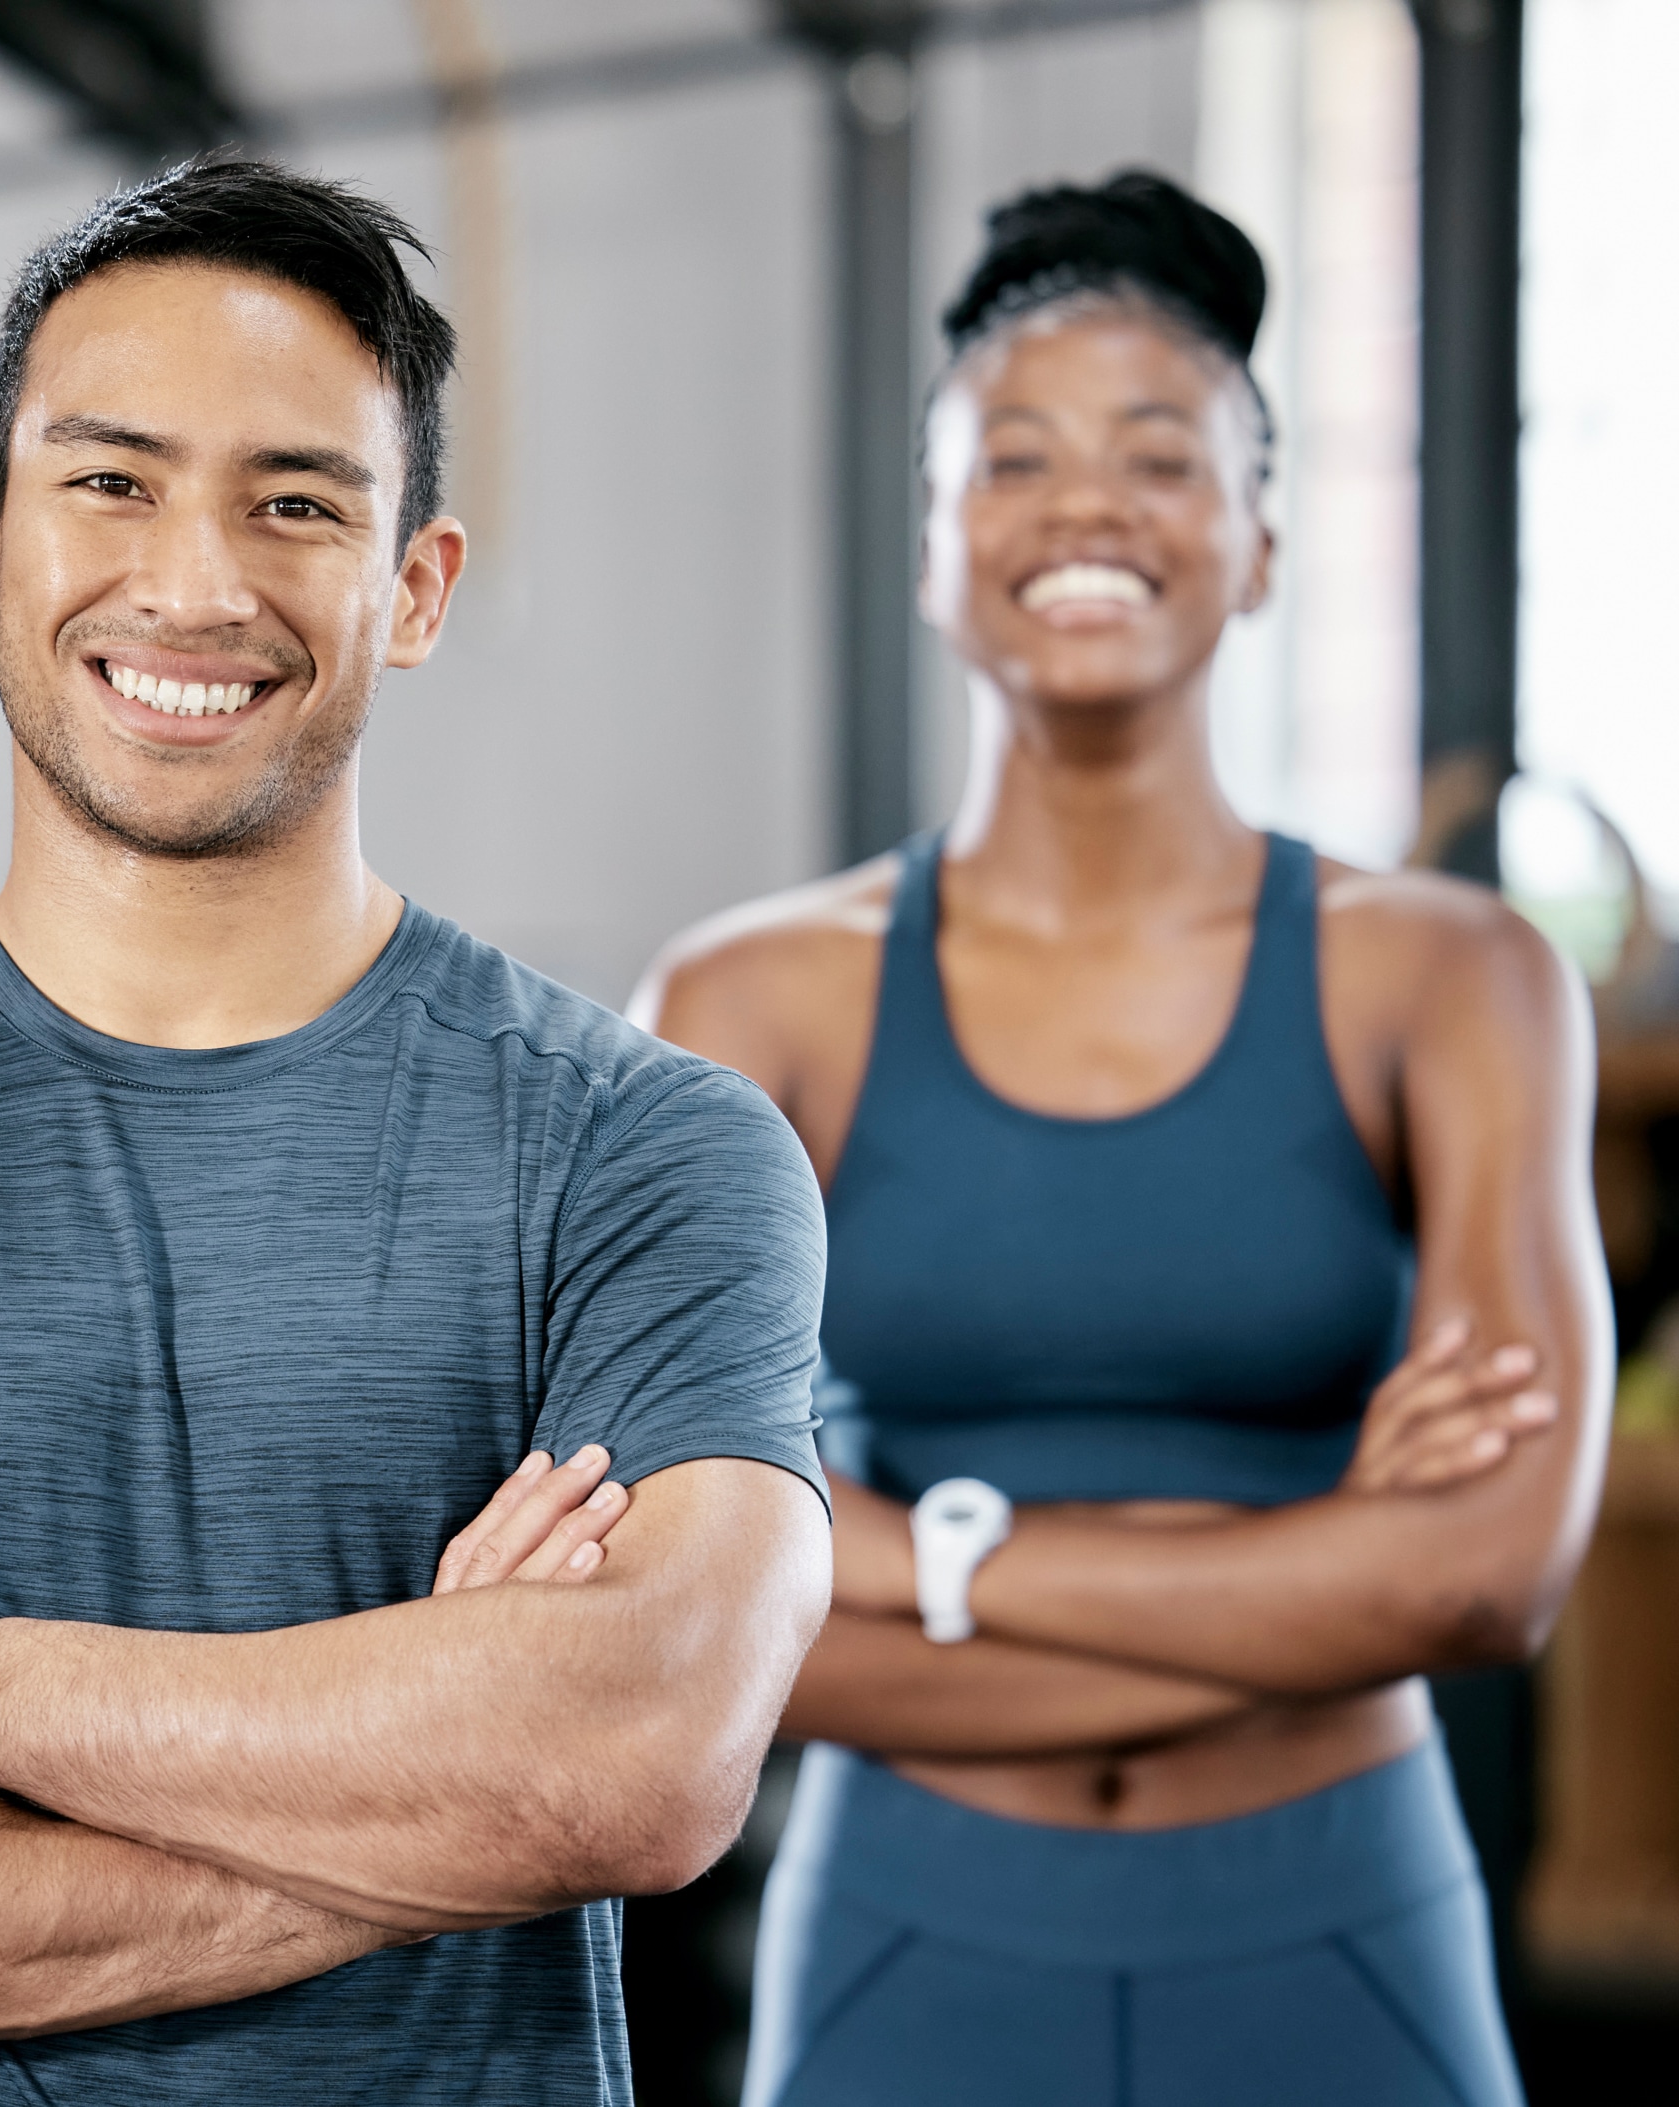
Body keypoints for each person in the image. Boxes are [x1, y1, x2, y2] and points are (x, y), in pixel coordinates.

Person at [0, 155, 834, 2105]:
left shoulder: (642, 1157)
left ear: (416, 582)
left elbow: (633, 1765)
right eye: (108, 481)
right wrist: (435, 1794)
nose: (193, 583)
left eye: (292, 503)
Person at [635, 172, 1605, 2107]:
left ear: (1258, 542)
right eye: (1015, 459)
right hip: (906, 1926)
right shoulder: (752, 1003)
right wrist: (1329, 1567)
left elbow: (1490, 1575)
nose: (1087, 506)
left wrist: (924, 1552)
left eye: (1162, 455)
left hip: (1340, 1916)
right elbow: (667, 1626)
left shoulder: (1454, 976)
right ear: (935, 542)